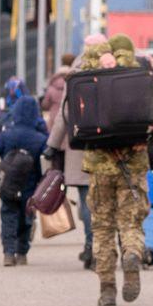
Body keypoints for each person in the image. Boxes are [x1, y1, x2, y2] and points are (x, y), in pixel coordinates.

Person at [78, 34, 153, 306]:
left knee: (102, 227)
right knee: (131, 222)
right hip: (133, 164)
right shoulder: (142, 74)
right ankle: (132, 254)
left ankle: (107, 289)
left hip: (100, 165)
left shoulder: (91, 76)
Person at [0, 96, 47, 266]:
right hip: (30, 188)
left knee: (8, 217)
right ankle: (22, 252)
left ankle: (8, 253)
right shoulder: (40, 139)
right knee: (26, 219)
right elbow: (46, 165)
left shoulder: (6, 135)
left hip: (8, 185)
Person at [45, 55, 94, 269]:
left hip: (81, 150)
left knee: (87, 202)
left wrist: (52, 145)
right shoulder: (114, 72)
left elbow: (64, 115)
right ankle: (120, 245)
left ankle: (91, 245)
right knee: (112, 202)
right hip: (111, 151)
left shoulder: (76, 77)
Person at [0, 76, 28, 145]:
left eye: (14, 87)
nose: (11, 90)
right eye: (10, 87)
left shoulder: (22, 96)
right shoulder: (7, 98)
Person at [41, 53, 75, 133]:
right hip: (71, 121)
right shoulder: (75, 82)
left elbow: (45, 105)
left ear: (62, 63)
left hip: (54, 122)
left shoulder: (53, 83)